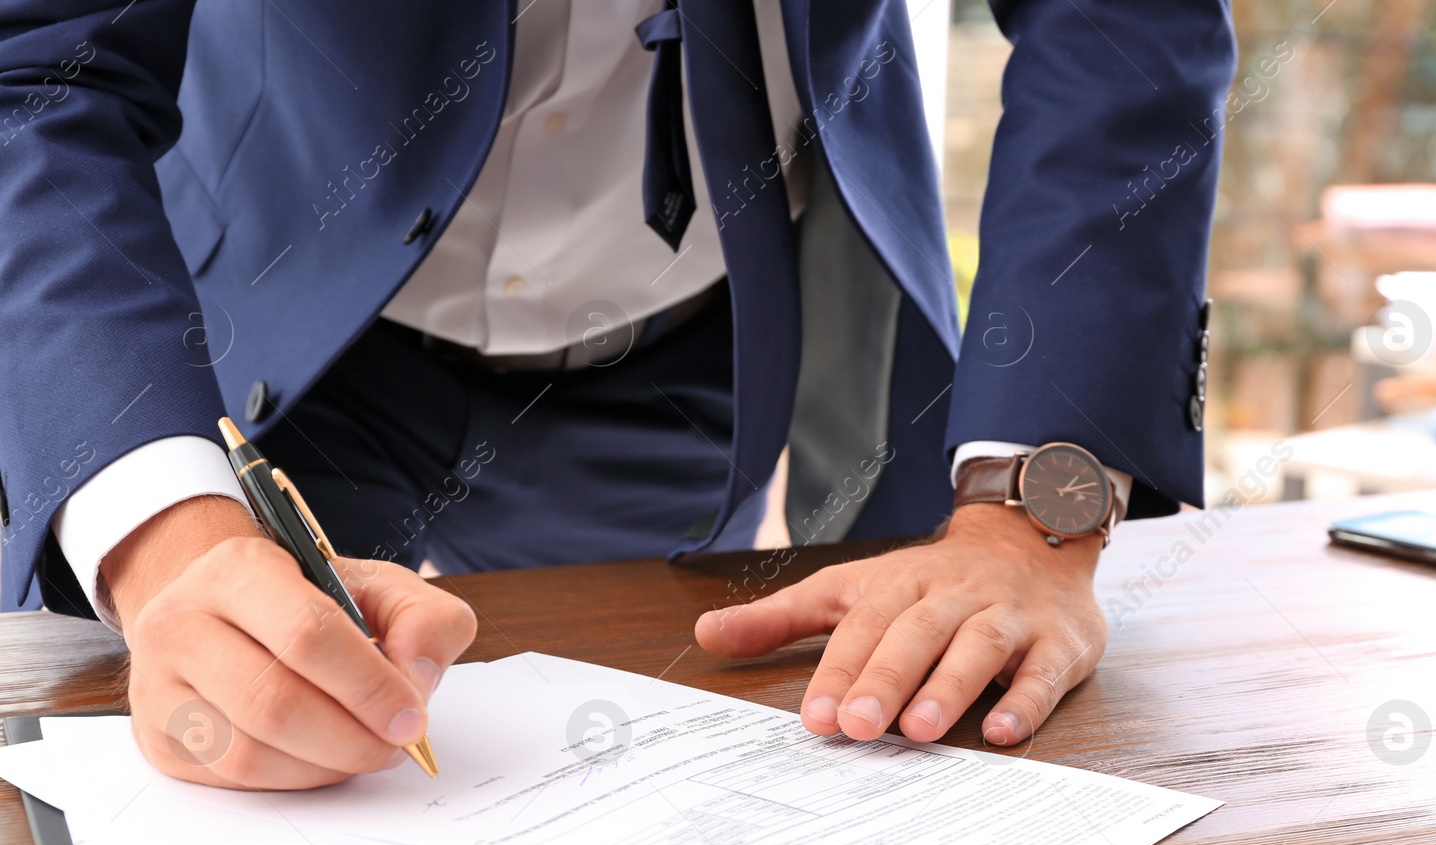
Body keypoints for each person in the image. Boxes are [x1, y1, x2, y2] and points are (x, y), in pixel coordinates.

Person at [0, 1, 1236, 789]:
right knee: (246, 738)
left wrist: (1037, 512)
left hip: (694, 341)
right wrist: (161, 534)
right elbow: (35, 70)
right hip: (273, 316)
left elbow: (1119, 20)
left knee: (607, 785)